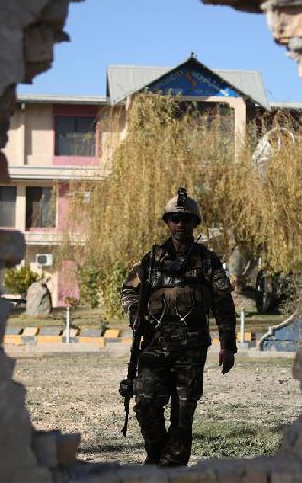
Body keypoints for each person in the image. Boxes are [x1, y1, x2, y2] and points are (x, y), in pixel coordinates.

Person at [121, 188, 237, 466]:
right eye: (174, 219)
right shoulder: (151, 261)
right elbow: (129, 291)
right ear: (167, 222)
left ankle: (171, 469)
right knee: (146, 403)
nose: (180, 224)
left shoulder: (207, 261)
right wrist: (135, 315)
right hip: (155, 345)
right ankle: (157, 457)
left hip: (191, 349)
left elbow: (223, 304)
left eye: (186, 219)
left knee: (183, 414)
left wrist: (228, 346)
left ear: (195, 223)